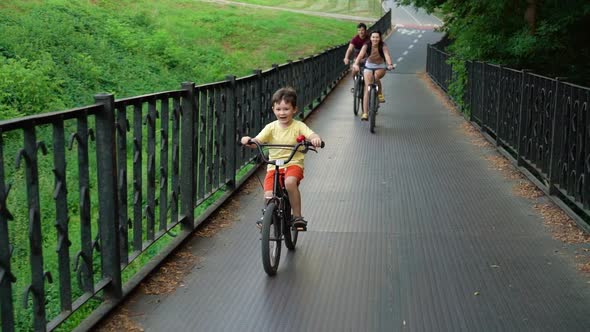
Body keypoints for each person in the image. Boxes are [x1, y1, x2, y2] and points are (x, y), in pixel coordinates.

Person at [240, 87, 322, 231]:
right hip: (274, 166)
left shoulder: (298, 126)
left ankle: (297, 217)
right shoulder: (270, 127)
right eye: (278, 109)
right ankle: (269, 215)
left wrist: (315, 139)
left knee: (290, 183)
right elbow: (257, 141)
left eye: (286, 109)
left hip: (293, 164)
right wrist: (249, 140)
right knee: (268, 194)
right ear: (273, 109)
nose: (282, 113)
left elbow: (311, 135)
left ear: (294, 109)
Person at [352, 30, 395, 121]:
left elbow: (387, 55)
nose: (375, 39)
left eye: (377, 37)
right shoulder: (366, 45)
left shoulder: (383, 46)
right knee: (367, 88)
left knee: (375, 77)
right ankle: (365, 113)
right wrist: (356, 64)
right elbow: (360, 56)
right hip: (369, 66)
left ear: (380, 38)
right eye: (373, 37)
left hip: (380, 66)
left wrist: (390, 64)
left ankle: (379, 94)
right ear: (370, 38)